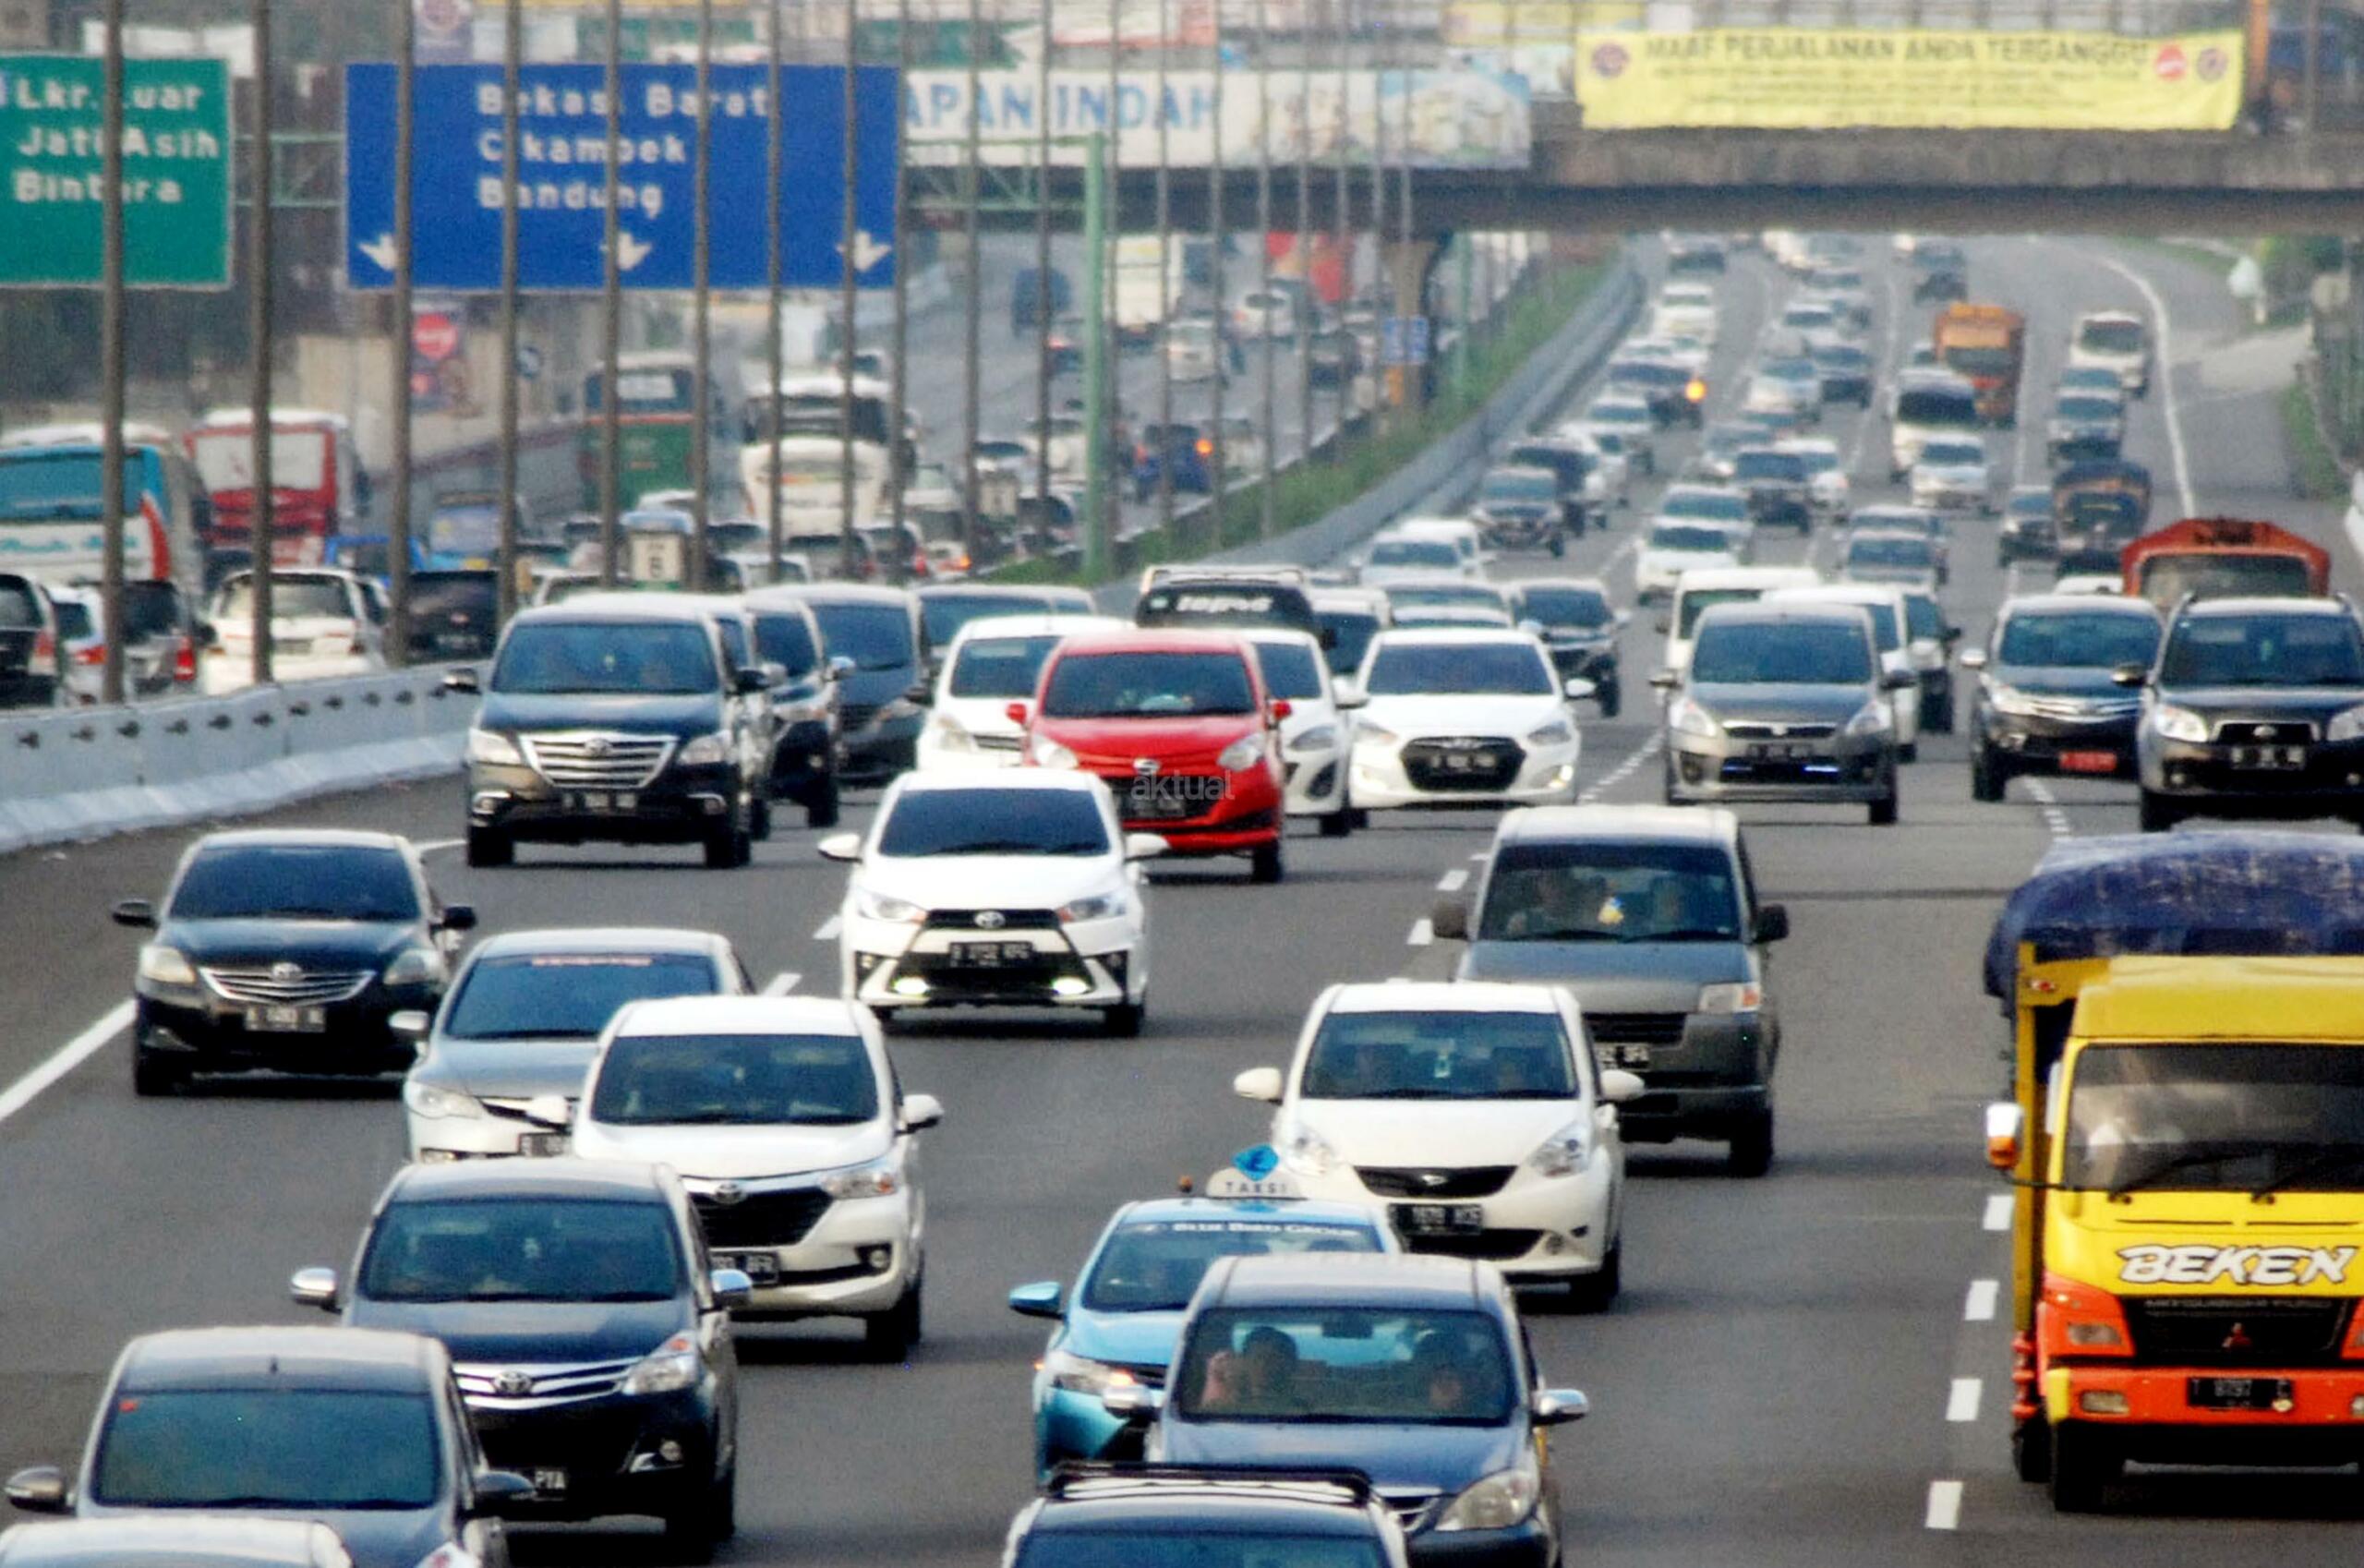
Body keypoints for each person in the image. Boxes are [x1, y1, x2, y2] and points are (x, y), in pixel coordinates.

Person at [1198, 1325, 1303, 1415]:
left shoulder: (1305, 1413)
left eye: (1273, 1358)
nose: (1263, 1365)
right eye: (1257, 1358)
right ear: (1244, 1361)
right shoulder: (1220, 1410)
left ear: (1290, 1365)